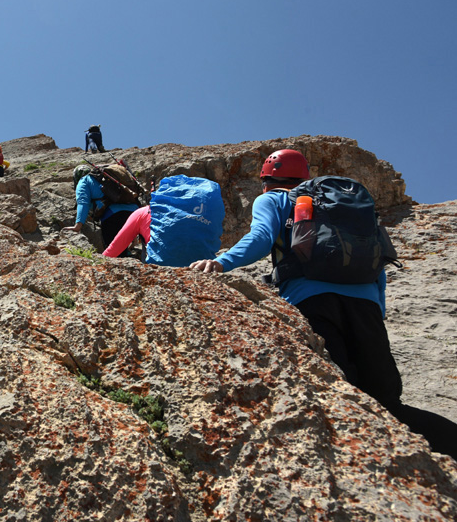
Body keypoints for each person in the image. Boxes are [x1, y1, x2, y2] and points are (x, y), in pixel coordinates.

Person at [189, 149, 456, 459]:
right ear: (304, 178)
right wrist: (376, 309)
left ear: (266, 181)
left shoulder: (274, 200)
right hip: (365, 305)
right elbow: (378, 261)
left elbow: (261, 237)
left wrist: (221, 262)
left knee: (341, 393)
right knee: (386, 401)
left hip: (312, 301)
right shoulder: (336, 205)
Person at [62, 164, 139, 252]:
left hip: (113, 216)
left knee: (114, 253)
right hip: (135, 212)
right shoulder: (105, 178)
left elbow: (83, 202)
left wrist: (78, 226)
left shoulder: (84, 180)